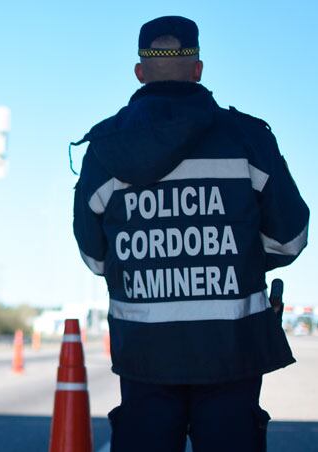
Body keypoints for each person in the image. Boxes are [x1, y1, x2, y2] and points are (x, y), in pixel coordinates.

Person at [72, 16, 309, 452]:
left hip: (144, 350)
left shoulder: (106, 147)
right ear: (197, 69)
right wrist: (234, 255)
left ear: (140, 72)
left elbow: (96, 258)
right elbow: (290, 239)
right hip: (231, 349)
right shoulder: (248, 137)